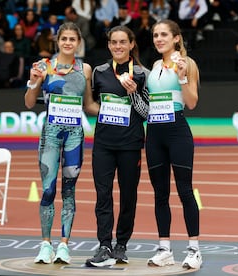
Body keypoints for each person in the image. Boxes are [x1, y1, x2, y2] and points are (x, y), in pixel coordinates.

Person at [24, 22, 100, 265]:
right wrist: (34, 82)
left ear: (79, 42)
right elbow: (28, 102)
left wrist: (117, 109)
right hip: (50, 136)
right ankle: (45, 244)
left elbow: (88, 105)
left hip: (74, 137)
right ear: (57, 41)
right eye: (64, 39)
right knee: (48, 189)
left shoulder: (85, 69)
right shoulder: (43, 67)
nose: (68, 43)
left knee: (69, 190)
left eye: (72, 39)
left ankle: (64, 246)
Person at [85, 25, 149, 267]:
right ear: (109, 45)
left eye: (123, 42)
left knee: (128, 195)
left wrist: (132, 94)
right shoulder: (100, 72)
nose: (118, 46)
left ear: (132, 44)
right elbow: (89, 105)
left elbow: (147, 113)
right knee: (103, 195)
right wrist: (106, 111)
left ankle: (121, 244)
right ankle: (104, 245)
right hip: (103, 143)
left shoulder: (143, 74)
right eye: (114, 42)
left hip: (130, 144)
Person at [145, 19, 202, 269]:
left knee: (185, 191)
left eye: (164, 35)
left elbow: (191, 102)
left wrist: (181, 78)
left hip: (177, 132)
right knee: (160, 194)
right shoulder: (155, 65)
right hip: (154, 134)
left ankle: (194, 251)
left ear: (176, 38)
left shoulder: (186, 64)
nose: (159, 39)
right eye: (156, 35)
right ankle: (165, 249)